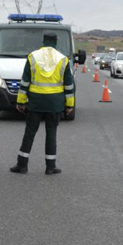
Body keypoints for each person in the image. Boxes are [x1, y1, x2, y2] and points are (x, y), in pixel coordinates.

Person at [10, 33, 74, 175]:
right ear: (56, 42)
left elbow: (25, 82)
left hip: (36, 102)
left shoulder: (32, 56)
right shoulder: (63, 59)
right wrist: (69, 105)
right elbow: (69, 85)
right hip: (55, 103)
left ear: (43, 41)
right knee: (51, 133)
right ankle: (50, 167)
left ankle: (22, 165)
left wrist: (20, 101)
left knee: (29, 133)